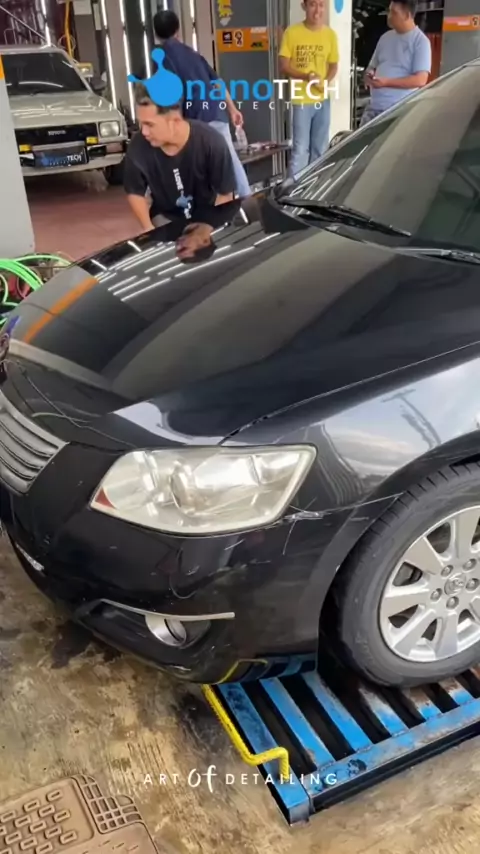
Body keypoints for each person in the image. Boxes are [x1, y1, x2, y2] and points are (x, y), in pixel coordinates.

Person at [152, 9, 251, 199]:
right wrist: (232, 109)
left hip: (195, 119)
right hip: (216, 113)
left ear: (156, 33)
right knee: (230, 159)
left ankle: (204, 205)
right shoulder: (192, 53)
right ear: (177, 30)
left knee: (195, 166)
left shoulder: (162, 57)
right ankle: (247, 199)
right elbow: (216, 81)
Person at [123, 85, 235, 231]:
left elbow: (225, 194)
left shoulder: (211, 142)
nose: (144, 131)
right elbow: (135, 192)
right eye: (141, 123)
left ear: (175, 121)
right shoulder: (138, 146)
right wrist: (148, 229)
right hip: (165, 218)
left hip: (206, 216)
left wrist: (208, 229)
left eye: (150, 124)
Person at [279, 0, 339, 177]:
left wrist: (325, 82)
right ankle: (293, 190)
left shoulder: (330, 35)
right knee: (300, 150)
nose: (317, 10)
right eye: (313, 4)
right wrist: (306, 77)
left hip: (322, 99)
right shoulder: (292, 33)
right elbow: (284, 66)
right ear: (304, 6)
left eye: (321, 5)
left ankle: (315, 187)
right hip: (301, 100)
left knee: (320, 149)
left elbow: (333, 65)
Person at [361, 0, 431, 126]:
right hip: (374, 107)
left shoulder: (420, 42)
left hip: (399, 111)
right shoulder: (385, 37)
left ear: (407, 15)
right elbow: (372, 66)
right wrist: (368, 75)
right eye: (389, 11)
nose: (389, 16)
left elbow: (420, 80)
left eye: (394, 12)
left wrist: (386, 82)